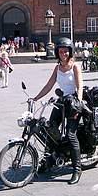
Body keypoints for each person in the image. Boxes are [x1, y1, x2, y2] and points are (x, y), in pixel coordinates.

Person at [33, 37, 83, 185]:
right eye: (61, 51)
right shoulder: (57, 68)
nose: (64, 54)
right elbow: (49, 85)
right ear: (57, 53)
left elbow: (80, 86)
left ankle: (76, 169)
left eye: (66, 51)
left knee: (71, 134)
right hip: (61, 102)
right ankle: (49, 160)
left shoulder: (75, 67)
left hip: (73, 102)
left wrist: (78, 102)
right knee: (50, 130)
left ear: (70, 52)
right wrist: (35, 98)